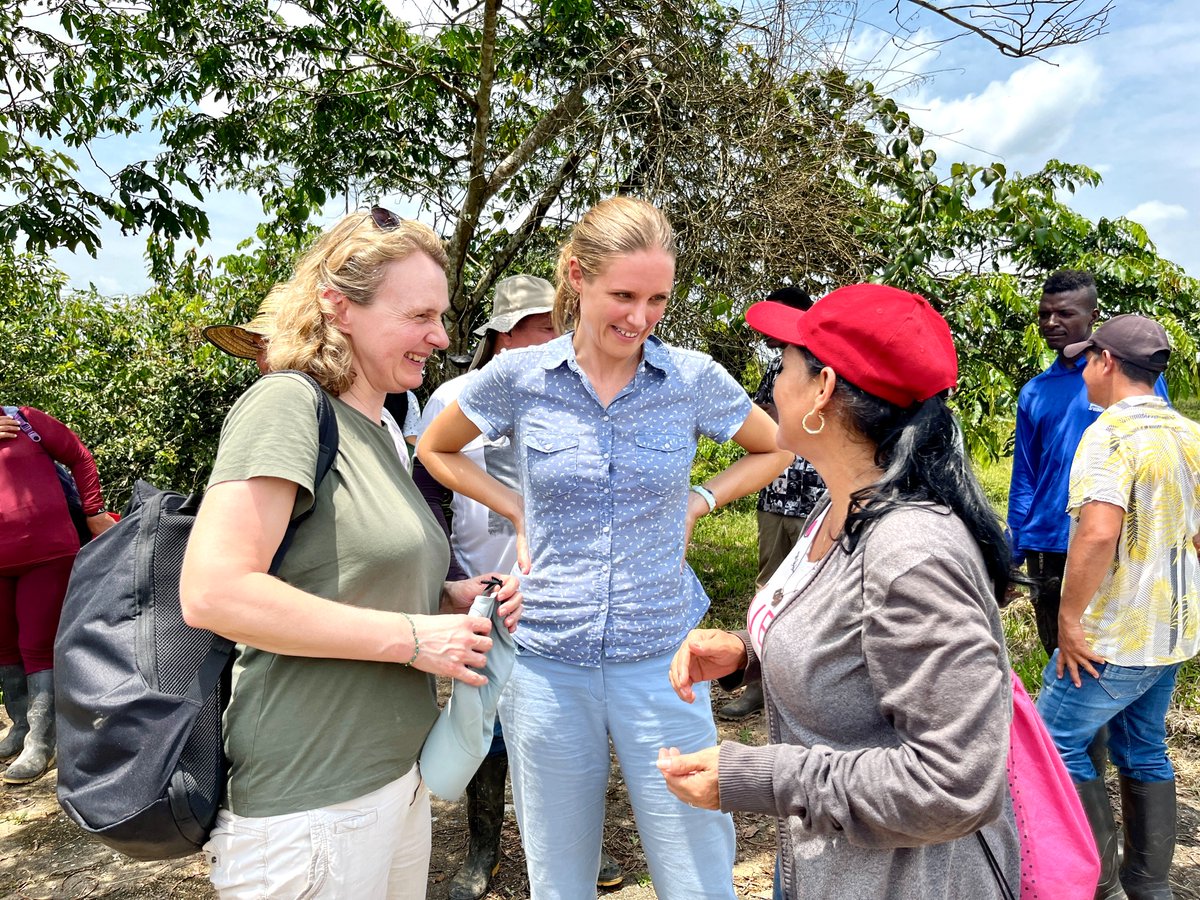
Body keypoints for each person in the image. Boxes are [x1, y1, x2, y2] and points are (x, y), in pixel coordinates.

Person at [419, 196, 792, 900]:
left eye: (657, 298)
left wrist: (701, 497)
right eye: (623, 294)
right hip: (547, 657)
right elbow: (437, 450)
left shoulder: (689, 378)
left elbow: (773, 446)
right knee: (559, 875)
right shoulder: (521, 378)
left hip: (664, 658)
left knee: (695, 870)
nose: (640, 317)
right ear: (576, 277)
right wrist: (517, 507)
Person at [179, 207, 522, 899]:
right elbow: (213, 591)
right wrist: (413, 638)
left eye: (443, 314)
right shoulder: (285, 405)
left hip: (396, 778)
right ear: (339, 307)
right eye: (420, 315)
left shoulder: (383, 428)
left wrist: (451, 598)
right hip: (312, 800)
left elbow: (341, 576)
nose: (441, 335)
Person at [658, 284, 1020, 900]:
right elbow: (856, 644)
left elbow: (957, 783)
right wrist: (751, 653)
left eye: (784, 366)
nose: (773, 384)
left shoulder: (910, 553)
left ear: (822, 389)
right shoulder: (839, 506)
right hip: (829, 864)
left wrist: (761, 776)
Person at [415, 273, 624, 897]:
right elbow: (427, 489)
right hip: (486, 587)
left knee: (568, 723)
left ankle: (576, 847)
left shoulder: (582, 392)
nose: (558, 336)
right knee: (488, 726)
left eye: (562, 323)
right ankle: (483, 850)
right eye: (544, 325)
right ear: (506, 334)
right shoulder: (454, 395)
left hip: (562, 593)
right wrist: (450, 578)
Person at [1037, 314, 1200, 900]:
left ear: (1107, 361)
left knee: (1049, 744)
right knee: (1144, 746)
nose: (1081, 369)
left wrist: (1069, 619)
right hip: (1172, 633)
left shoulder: (1110, 434)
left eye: (1088, 358)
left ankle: (1094, 883)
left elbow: (1099, 532)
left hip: (1116, 636)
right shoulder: (1189, 434)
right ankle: (1149, 885)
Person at [1007, 270, 1168, 657]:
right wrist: (1012, 553)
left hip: (1117, 538)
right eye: (1044, 314)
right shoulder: (1035, 391)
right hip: (1049, 543)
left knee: (1118, 654)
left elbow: (1160, 453)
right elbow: (1026, 476)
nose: (1051, 323)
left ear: (1092, 316)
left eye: (1064, 313)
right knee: (1061, 654)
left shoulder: (1128, 378)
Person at [719, 286, 825, 721]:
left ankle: (806, 694)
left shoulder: (823, 364)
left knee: (815, 593)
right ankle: (760, 685)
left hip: (818, 499)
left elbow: (778, 418)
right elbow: (764, 421)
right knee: (770, 587)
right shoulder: (773, 366)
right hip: (776, 492)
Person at [0, 407, 117, 784]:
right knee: (3, 646)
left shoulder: (24, 420)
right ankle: (20, 727)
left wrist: (94, 510)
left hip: (46, 553)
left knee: (36, 643)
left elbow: (78, 455)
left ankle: (42, 742)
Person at [204, 310, 418, 468]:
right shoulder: (374, 412)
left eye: (269, 345)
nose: (262, 361)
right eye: (258, 347)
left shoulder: (288, 403)